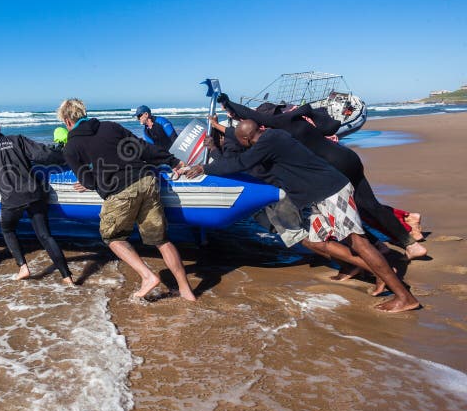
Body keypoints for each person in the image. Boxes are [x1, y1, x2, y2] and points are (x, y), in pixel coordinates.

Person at [180, 120, 420, 313]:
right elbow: (247, 160)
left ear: (245, 139)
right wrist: (215, 146)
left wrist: (205, 167)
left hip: (331, 191)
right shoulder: (273, 137)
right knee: (317, 242)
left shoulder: (268, 143)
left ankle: (404, 296)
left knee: (358, 241)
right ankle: (381, 275)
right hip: (320, 196)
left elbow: (243, 162)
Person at [218, 95, 427, 260]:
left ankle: (379, 248)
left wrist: (228, 103)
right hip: (347, 157)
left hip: (335, 168)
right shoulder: (300, 119)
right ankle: (410, 244)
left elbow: (259, 121)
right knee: (370, 205)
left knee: (348, 212)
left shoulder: (279, 126)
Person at [58, 98, 196, 301]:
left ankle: (148, 276)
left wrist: (91, 175)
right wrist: (172, 161)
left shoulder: (71, 147)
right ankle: (186, 290)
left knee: (112, 237)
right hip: (147, 180)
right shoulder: (110, 127)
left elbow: (87, 181)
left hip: (120, 192)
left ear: (67, 121)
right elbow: (142, 148)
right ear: (83, 114)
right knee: (161, 239)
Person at [0, 112, 73, 283]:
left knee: (8, 230)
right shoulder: (17, 139)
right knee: (45, 236)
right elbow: (43, 155)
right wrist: (65, 156)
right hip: (34, 193)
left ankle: (23, 267)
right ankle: (67, 276)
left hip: (11, 199)